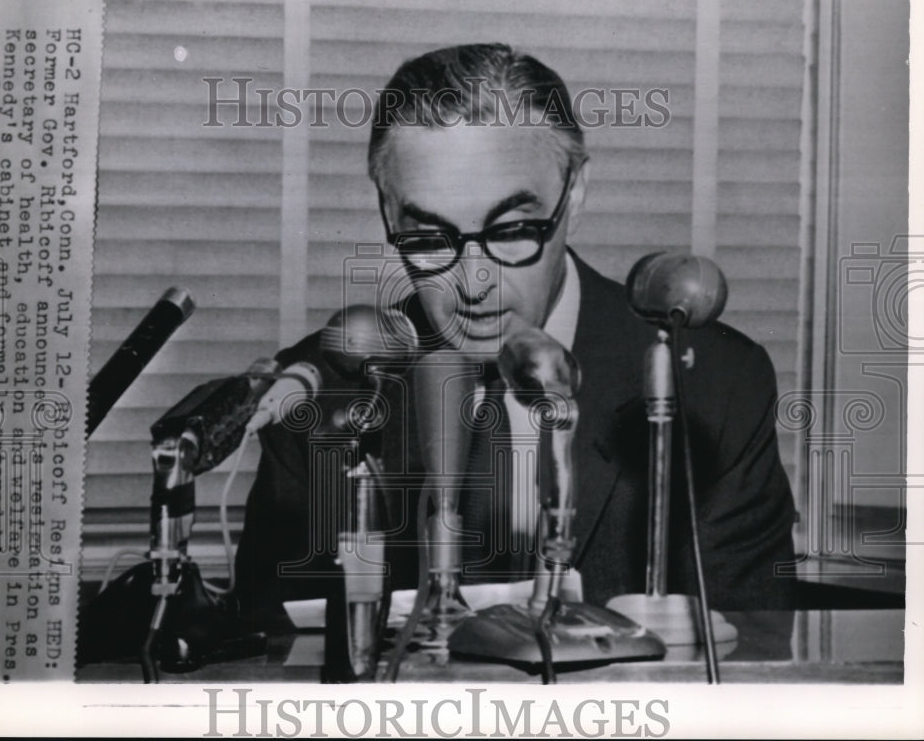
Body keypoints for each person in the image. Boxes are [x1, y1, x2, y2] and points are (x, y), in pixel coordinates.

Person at [232, 43, 798, 631]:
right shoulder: (328, 388)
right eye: (429, 238)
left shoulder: (714, 385)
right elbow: (271, 647)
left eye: (512, 230)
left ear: (573, 195)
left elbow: (757, 651)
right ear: (387, 212)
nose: (474, 283)